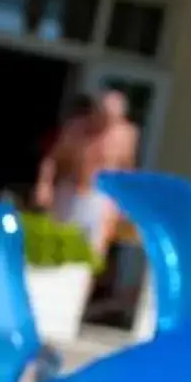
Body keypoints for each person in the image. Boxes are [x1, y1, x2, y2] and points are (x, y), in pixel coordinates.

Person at [34, 87, 141, 261]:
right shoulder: (76, 129)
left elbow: (126, 171)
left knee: (92, 254)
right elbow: (52, 159)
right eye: (102, 117)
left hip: (100, 198)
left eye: (111, 120)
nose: (104, 124)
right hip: (70, 190)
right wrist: (44, 185)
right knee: (57, 246)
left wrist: (122, 205)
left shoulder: (125, 136)